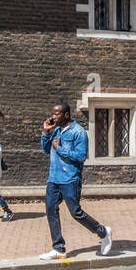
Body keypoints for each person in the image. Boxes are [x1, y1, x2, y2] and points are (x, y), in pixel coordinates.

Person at [39, 101, 111, 259]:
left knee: (76, 213)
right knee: (51, 210)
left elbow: (80, 156)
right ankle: (59, 248)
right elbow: (45, 150)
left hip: (70, 179)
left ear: (66, 114)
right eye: (52, 113)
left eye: (56, 114)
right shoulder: (56, 129)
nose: (53, 117)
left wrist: (60, 149)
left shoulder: (78, 132)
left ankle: (103, 232)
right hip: (54, 178)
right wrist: (46, 133)